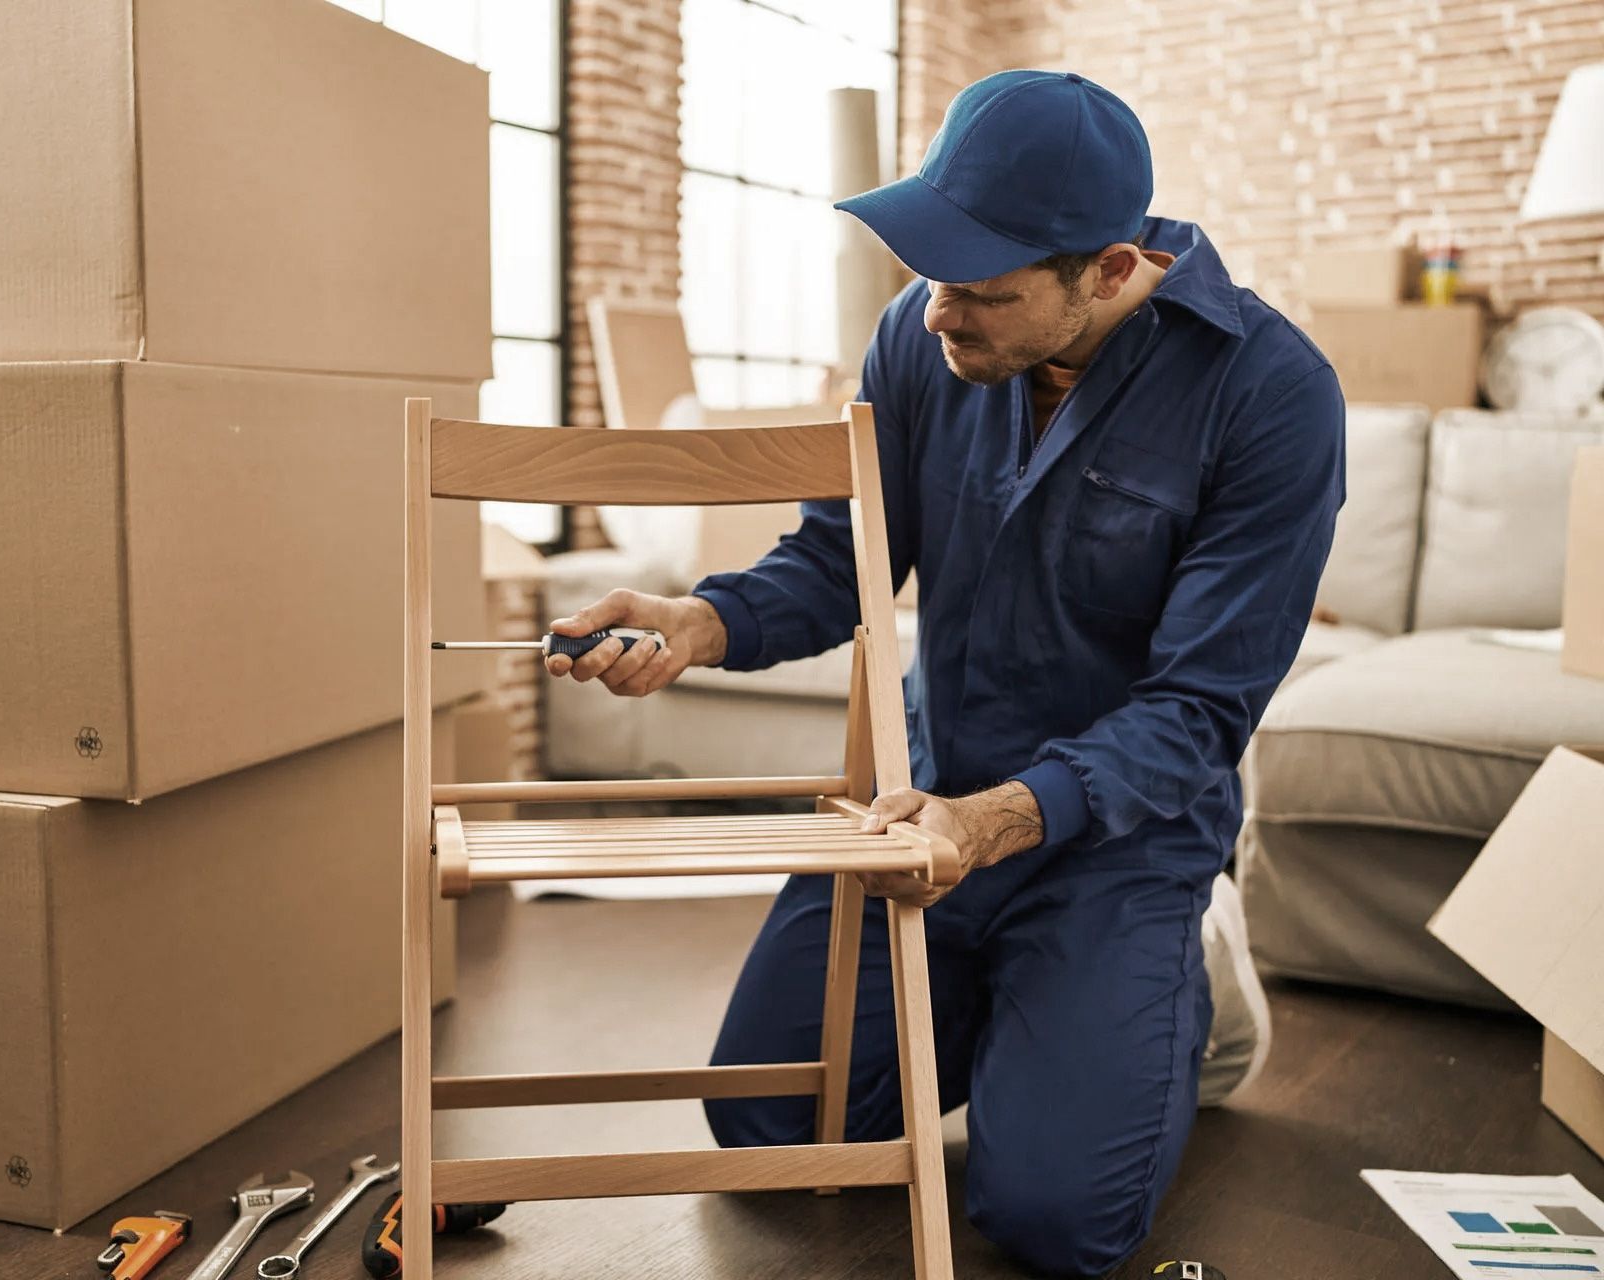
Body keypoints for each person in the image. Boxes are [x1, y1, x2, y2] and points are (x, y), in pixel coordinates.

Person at [544, 69, 1343, 1277]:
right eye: (931, 277)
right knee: (768, 1121)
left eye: (980, 291)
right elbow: (839, 561)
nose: (935, 318)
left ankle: (1173, 988)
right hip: (919, 809)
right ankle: (1032, 1020)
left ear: (1112, 270)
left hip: (1110, 839)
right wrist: (695, 620)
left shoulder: (1274, 395)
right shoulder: (922, 338)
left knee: (1055, 1220)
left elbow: (1197, 713)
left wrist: (995, 821)